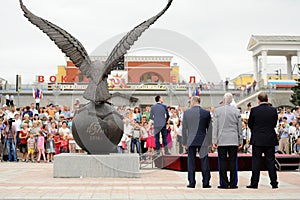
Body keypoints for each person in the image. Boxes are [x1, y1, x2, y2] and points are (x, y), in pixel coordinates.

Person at [247, 92, 278, 189]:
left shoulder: (254, 110)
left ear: (258, 100)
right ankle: (274, 182)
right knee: (271, 161)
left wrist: (256, 131)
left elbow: (250, 124)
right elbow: (274, 123)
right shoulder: (273, 110)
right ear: (267, 99)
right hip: (270, 139)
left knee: (256, 162)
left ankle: (254, 183)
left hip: (257, 139)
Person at [212, 93, 243, 189]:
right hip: (233, 139)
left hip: (221, 139)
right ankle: (233, 183)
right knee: (233, 161)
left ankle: (224, 183)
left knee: (222, 161)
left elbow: (215, 127)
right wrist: (240, 140)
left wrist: (214, 140)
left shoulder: (217, 111)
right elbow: (239, 128)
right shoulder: (237, 111)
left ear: (224, 100)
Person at [182, 96, 212, 188]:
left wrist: (184, 141)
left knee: (191, 161)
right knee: (204, 161)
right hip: (203, 139)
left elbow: (184, 128)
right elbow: (210, 128)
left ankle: (192, 182)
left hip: (191, 139)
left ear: (193, 102)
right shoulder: (206, 113)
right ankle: (206, 183)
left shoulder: (187, 113)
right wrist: (210, 142)